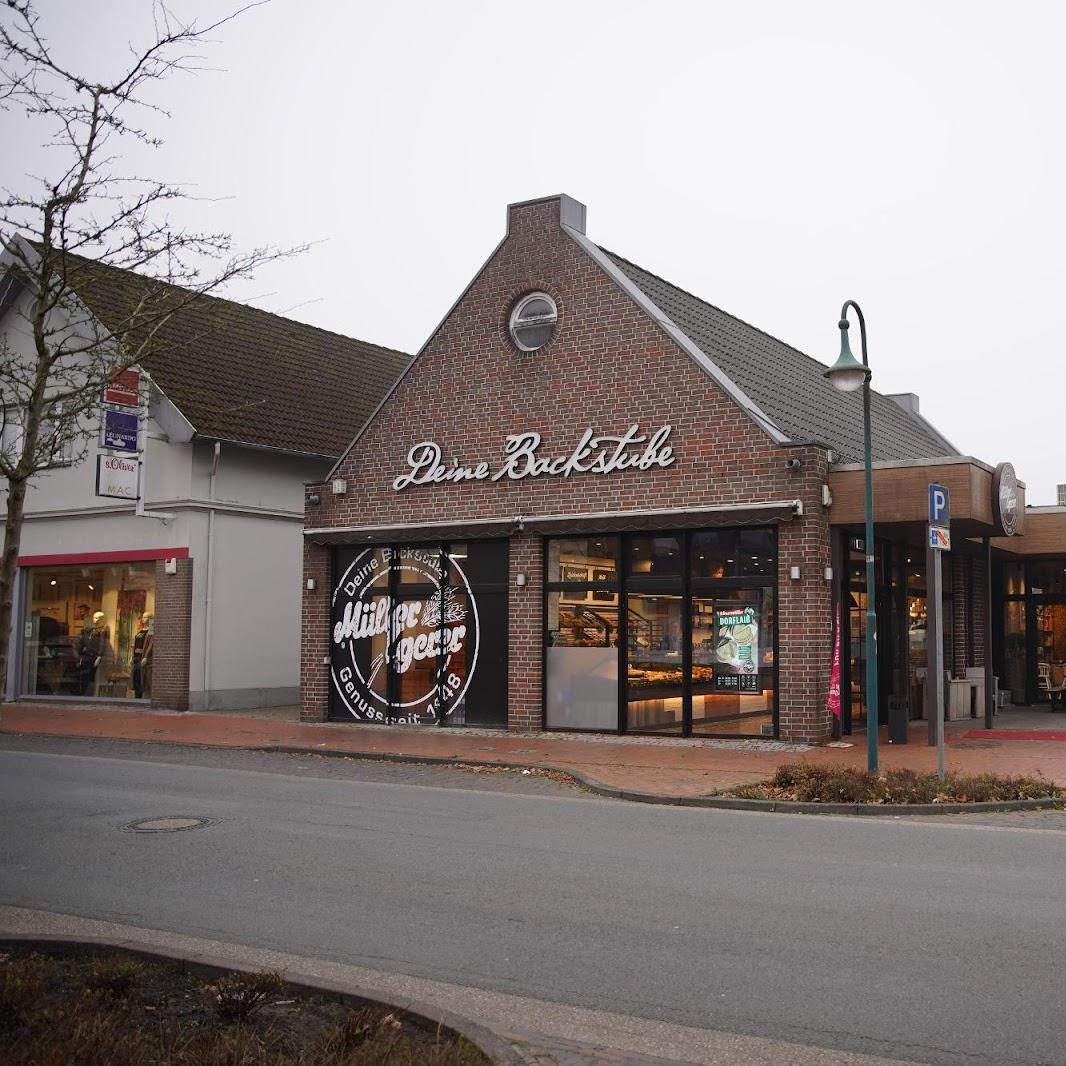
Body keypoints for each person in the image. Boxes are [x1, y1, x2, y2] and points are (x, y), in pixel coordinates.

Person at [132, 614, 153, 699]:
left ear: (150, 619)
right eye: (143, 617)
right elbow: (135, 644)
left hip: (143, 656)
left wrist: (146, 656)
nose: (143, 619)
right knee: (136, 676)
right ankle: (137, 696)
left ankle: (143, 696)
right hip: (136, 657)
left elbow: (151, 644)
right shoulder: (140, 631)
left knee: (143, 677)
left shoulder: (151, 630)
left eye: (146, 617)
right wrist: (131, 656)